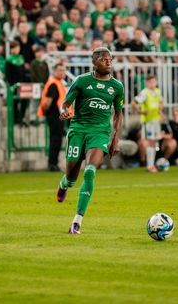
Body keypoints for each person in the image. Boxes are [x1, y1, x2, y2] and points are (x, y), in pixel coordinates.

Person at [55, 47, 124, 234]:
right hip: (78, 130)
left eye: (110, 59)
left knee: (90, 171)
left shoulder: (117, 86)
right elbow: (65, 103)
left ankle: (77, 221)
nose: (108, 62)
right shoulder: (82, 81)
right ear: (94, 62)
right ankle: (64, 184)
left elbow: (118, 114)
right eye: (104, 59)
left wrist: (115, 139)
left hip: (99, 132)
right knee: (71, 178)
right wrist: (64, 112)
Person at [38, 63, 67, 172]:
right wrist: (48, 113)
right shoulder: (53, 84)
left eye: (63, 70)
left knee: (56, 139)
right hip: (54, 116)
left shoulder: (58, 83)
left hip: (58, 116)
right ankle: (52, 164)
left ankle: (53, 163)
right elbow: (47, 102)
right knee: (55, 140)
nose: (62, 72)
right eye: (60, 70)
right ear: (54, 71)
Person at [131, 75, 163, 173]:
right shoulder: (144, 93)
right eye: (150, 82)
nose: (152, 84)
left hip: (156, 120)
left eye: (154, 81)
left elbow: (161, 102)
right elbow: (133, 103)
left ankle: (152, 164)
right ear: (147, 83)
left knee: (154, 142)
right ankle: (150, 165)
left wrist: (160, 111)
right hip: (147, 121)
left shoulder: (157, 91)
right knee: (150, 142)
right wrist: (141, 112)